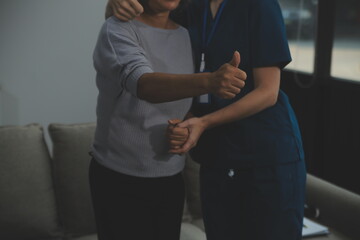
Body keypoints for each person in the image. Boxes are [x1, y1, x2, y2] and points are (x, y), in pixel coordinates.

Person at [108, 0, 307, 240]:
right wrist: (113, 4)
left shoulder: (259, 5)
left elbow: (268, 92)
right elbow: (142, 14)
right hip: (216, 157)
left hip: (266, 156)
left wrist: (204, 122)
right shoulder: (190, 8)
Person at [89, 0, 246, 240]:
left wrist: (186, 126)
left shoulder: (185, 34)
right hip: (119, 179)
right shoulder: (117, 29)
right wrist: (210, 81)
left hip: (170, 178)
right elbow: (144, 84)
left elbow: (187, 102)